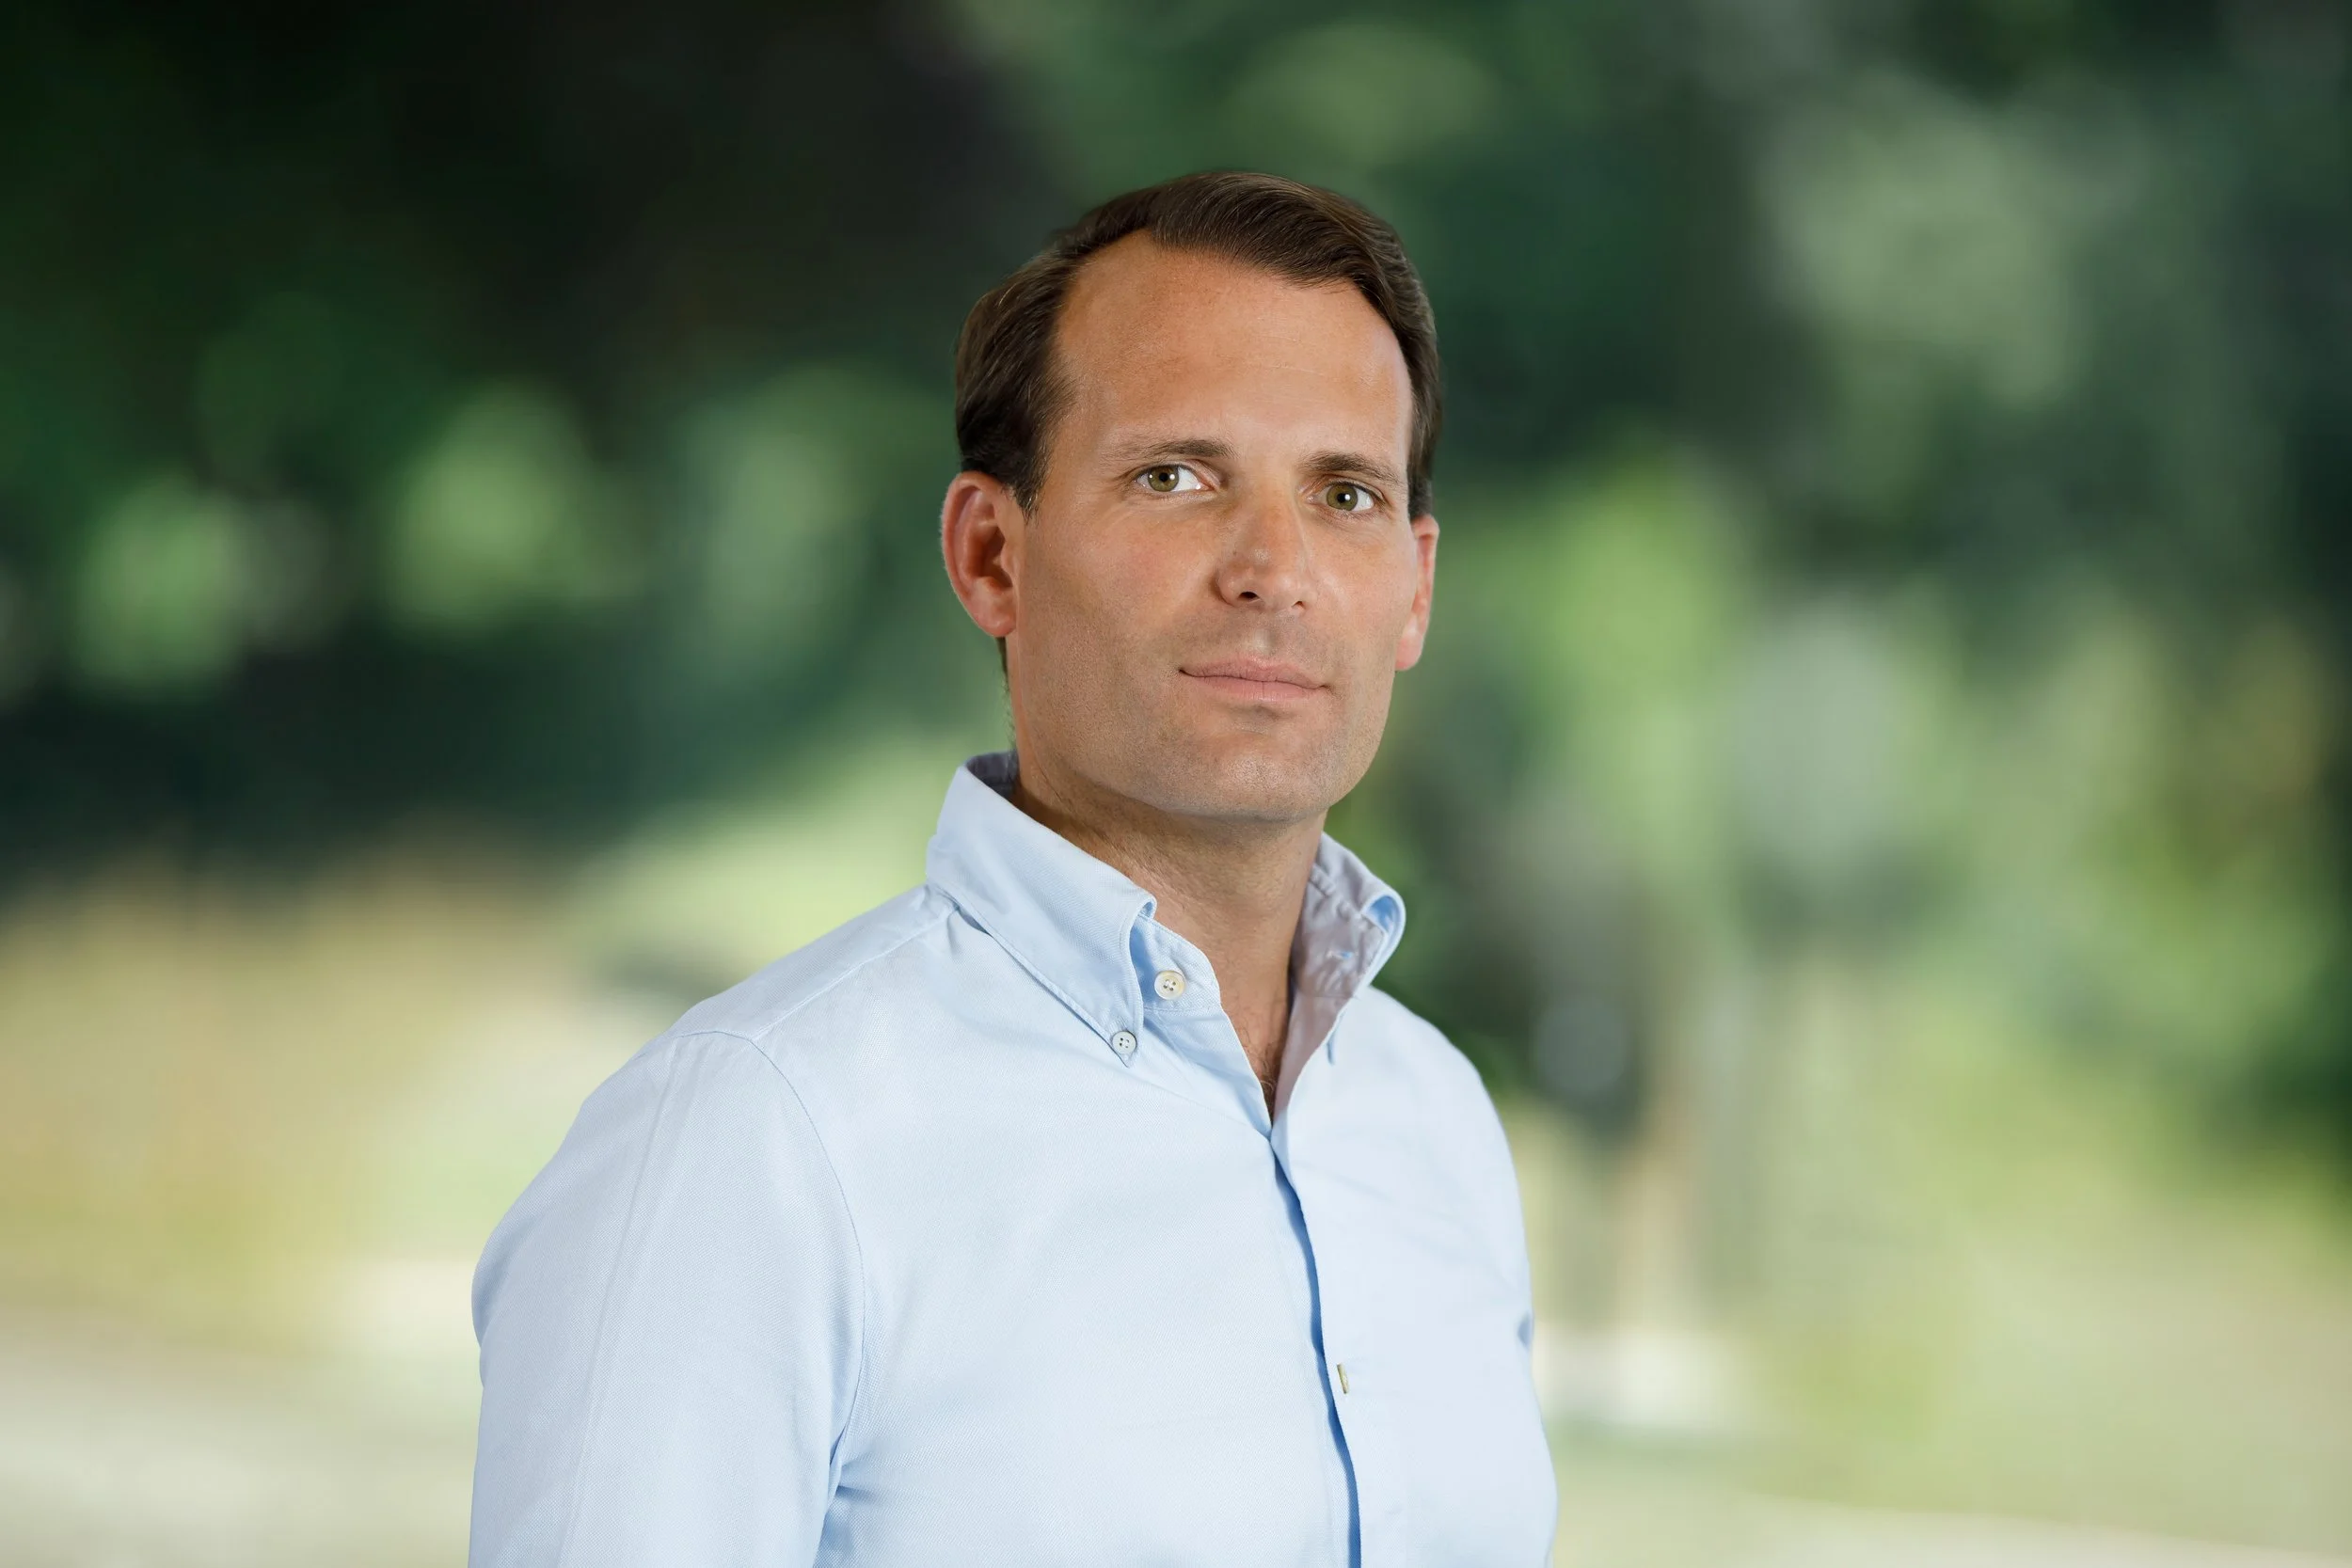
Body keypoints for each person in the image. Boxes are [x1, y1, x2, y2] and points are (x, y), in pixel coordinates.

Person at [468, 170, 1557, 1567]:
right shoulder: (754, 1145)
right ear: (992, 553)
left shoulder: (1436, 1126)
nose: (1273, 569)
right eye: (1177, 477)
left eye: (1344, 493)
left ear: (1413, 587)